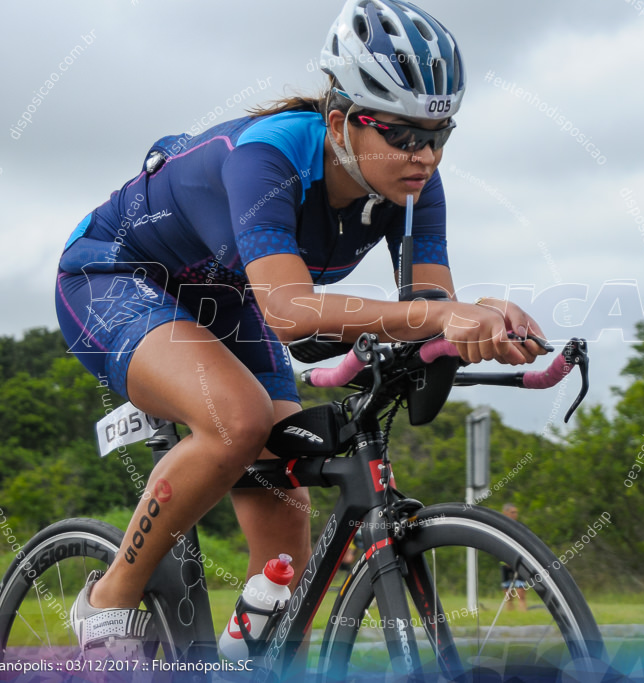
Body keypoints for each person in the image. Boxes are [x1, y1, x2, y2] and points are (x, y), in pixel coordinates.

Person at [57, 0, 547, 662]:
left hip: (227, 300)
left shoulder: (414, 186)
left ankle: (250, 665)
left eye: (439, 135)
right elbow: (290, 311)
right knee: (238, 419)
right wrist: (441, 315)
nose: (424, 156)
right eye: (402, 134)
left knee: (285, 504)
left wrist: (485, 320)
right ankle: (107, 601)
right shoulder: (267, 158)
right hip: (114, 276)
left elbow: (429, 307)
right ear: (342, 121)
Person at [500, 503, 529, 611]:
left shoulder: (520, 527)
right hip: (505, 563)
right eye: (512, 512)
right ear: (505, 513)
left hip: (519, 562)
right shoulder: (500, 527)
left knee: (521, 592)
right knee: (508, 594)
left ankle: (523, 612)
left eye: (516, 512)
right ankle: (510, 613)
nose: (515, 515)